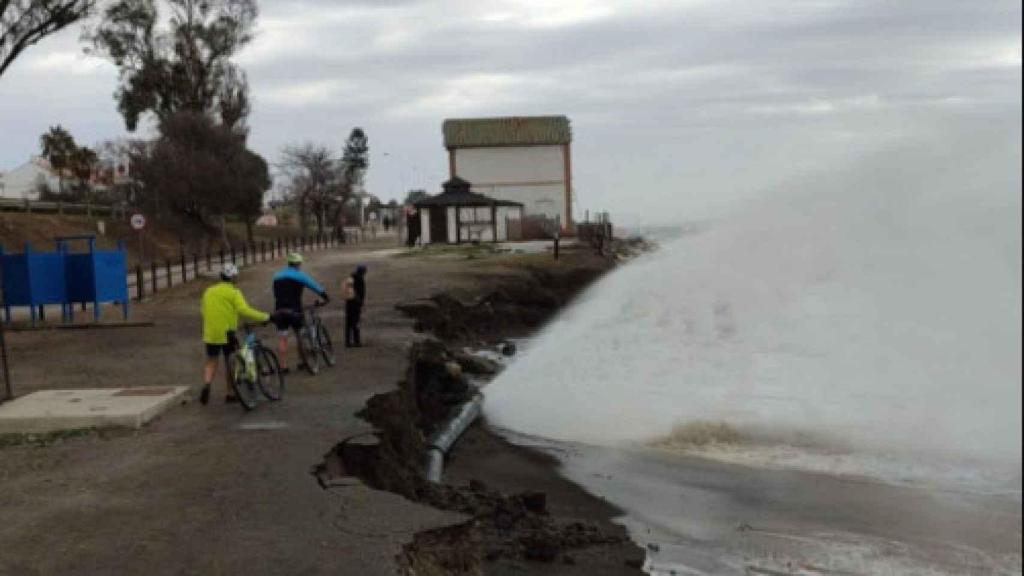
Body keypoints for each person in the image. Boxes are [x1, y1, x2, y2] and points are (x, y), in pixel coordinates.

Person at [199, 263, 269, 405]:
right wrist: (265, 316)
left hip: (211, 332)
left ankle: (207, 384)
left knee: (212, 359)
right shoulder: (234, 292)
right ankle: (230, 393)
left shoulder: (209, 291)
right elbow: (244, 310)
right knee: (231, 361)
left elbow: (203, 311)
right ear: (233, 277)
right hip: (227, 332)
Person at [272, 252, 330, 372]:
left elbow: (276, 294)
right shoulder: (300, 275)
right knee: (300, 334)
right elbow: (315, 286)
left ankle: (283, 366)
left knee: (282, 338)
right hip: (295, 310)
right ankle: (302, 361)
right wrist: (325, 297)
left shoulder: (276, 276)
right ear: (298, 264)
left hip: (279, 310)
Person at [344, 264, 367, 347]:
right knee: (356, 323)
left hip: (348, 303)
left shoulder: (350, 278)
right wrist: (360, 302)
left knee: (348, 323)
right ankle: (357, 341)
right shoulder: (360, 279)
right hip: (356, 304)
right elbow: (360, 293)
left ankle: (348, 342)